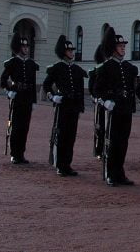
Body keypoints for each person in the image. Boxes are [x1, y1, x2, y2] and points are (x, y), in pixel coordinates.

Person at [93, 27, 139, 186]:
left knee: (123, 142)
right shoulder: (105, 67)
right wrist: (105, 101)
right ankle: (110, 173)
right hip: (113, 109)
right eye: (120, 46)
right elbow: (97, 90)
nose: (123, 48)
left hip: (125, 108)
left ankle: (120, 173)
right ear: (113, 49)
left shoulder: (128, 68)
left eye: (124, 46)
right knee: (112, 142)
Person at [41, 35, 87, 176]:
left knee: (71, 136)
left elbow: (79, 89)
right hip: (63, 105)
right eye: (69, 51)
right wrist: (53, 97)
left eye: (72, 51)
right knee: (61, 135)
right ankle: (60, 164)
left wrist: (81, 106)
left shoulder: (77, 69)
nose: (72, 53)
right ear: (63, 52)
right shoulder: (57, 68)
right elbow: (46, 85)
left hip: (73, 106)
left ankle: (67, 163)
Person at [0, 35, 39, 165]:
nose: (26, 48)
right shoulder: (12, 62)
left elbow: (33, 84)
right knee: (16, 126)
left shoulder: (31, 64)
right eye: (23, 46)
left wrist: (34, 100)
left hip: (27, 97)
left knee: (25, 127)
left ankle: (21, 152)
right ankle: (14, 153)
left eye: (27, 46)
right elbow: (3, 79)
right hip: (17, 97)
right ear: (18, 48)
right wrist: (9, 91)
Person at [89, 45, 105, 159]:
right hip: (100, 103)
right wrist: (96, 98)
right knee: (99, 128)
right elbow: (91, 89)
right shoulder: (95, 71)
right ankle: (98, 150)